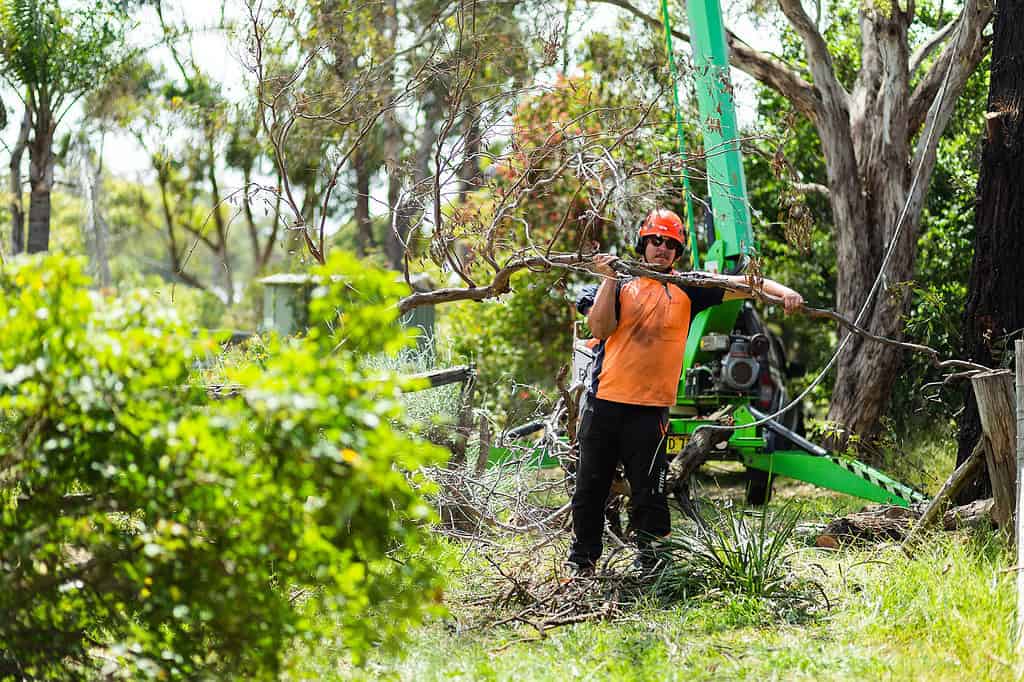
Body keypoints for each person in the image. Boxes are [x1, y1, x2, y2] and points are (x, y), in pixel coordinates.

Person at [567, 208, 804, 576]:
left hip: (650, 410)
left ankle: (653, 564)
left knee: (650, 492)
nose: (661, 248)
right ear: (643, 243)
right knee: (590, 488)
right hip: (605, 403)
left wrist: (785, 292)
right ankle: (582, 564)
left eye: (670, 243)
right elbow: (600, 327)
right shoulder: (620, 282)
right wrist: (609, 280)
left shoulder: (690, 288)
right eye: (655, 241)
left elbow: (747, 284)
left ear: (678, 251)